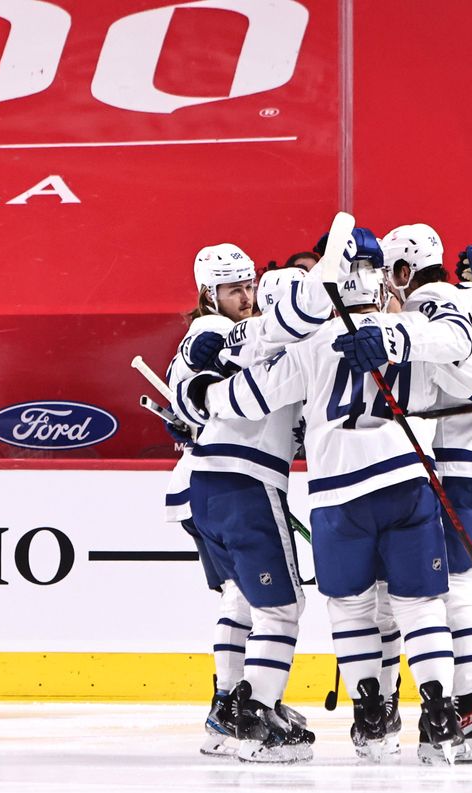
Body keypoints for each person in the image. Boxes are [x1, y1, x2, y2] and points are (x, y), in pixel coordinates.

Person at [184, 237, 472, 765]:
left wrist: (201, 395)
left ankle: (372, 717)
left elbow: (249, 398)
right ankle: (440, 715)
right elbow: (467, 366)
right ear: (379, 278)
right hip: (408, 482)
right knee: (420, 604)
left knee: (350, 608)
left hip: (337, 495)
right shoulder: (412, 330)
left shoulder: (311, 339)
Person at [333, 229, 472, 761]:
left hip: (457, 462)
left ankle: (468, 708)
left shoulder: (426, 304)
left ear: (402, 272)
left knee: (457, 592)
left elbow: (466, 373)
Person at [170, 240, 363, 762]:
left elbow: (193, 396)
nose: (245, 296)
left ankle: (228, 708)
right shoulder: (214, 331)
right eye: (234, 288)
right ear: (208, 293)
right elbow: (261, 342)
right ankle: (253, 718)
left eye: (249, 285)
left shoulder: (214, 334)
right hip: (245, 482)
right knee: (282, 607)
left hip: (208, 482)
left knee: (241, 597)